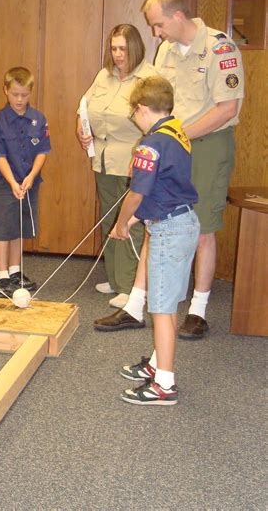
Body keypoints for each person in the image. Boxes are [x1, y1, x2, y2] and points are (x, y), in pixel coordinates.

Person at [98, 0, 244, 338]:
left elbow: (228, 109)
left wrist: (175, 137)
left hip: (207, 145)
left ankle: (197, 310)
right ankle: (135, 305)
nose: (155, 33)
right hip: (171, 146)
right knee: (154, 219)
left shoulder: (220, 49)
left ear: (178, 17)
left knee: (204, 227)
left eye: (158, 24)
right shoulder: (165, 50)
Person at [111, 76, 200, 405]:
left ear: (142, 109)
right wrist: (133, 219)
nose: (134, 118)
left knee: (161, 309)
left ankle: (164, 384)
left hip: (169, 231)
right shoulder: (177, 132)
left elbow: (137, 192)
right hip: (182, 221)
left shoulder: (150, 144)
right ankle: (155, 364)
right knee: (169, 302)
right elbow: (164, 188)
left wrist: (122, 222)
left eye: (134, 112)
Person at [76, 24, 154, 311]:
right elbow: (84, 107)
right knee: (109, 219)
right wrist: (81, 129)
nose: (118, 54)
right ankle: (113, 276)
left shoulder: (149, 78)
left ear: (135, 48)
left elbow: (156, 122)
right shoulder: (104, 75)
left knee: (129, 224)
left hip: (132, 160)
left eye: (123, 48)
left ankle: (129, 286)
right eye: (114, 48)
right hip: (104, 157)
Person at [0, 67, 51, 297]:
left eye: (24, 95)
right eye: (15, 94)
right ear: (6, 91)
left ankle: (15, 271)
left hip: (29, 183)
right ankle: (2, 275)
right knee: (3, 228)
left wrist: (31, 176)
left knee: (19, 227)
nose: (20, 100)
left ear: (31, 92)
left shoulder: (39, 119)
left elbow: (43, 151)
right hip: (6, 184)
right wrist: (13, 182)